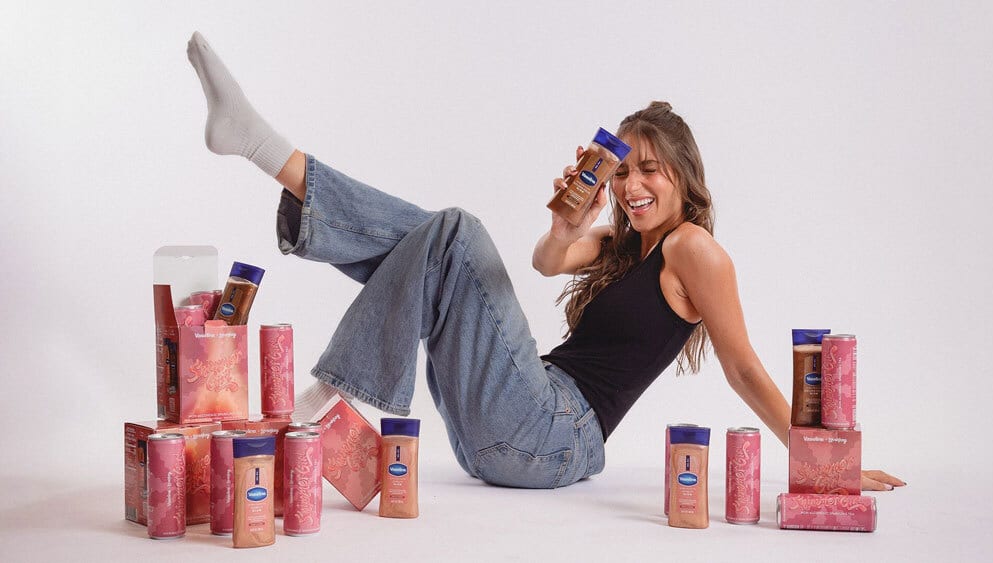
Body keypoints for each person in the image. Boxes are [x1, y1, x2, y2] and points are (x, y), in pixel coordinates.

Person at [186, 32, 904, 491]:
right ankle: (260, 147)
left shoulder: (694, 250)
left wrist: (818, 461)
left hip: (553, 434)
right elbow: (543, 261)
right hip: (503, 432)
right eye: (621, 171)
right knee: (438, 240)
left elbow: (743, 365)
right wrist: (567, 222)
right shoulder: (625, 244)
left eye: (648, 170)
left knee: (454, 232)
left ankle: (264, 154)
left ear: (683, 175)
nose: (631, 185)